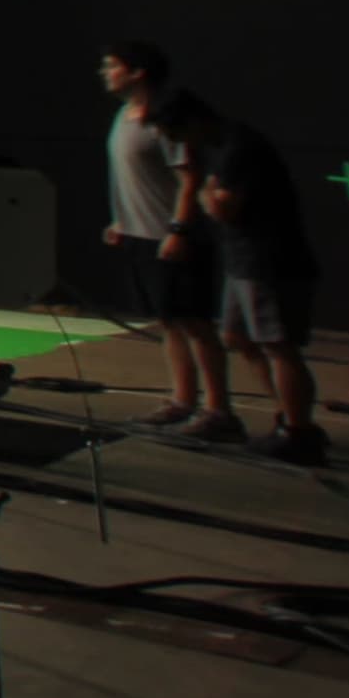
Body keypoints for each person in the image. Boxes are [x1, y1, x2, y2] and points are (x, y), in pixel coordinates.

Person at [184, 96, 326, 463]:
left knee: (278, 345)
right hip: (242, 259)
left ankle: (300, 432)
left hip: (268, 261)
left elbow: (222, 207)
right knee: (237, 336)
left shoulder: (239, 147)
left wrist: (201, 190)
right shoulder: (219, 147)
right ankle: (287, 416)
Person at [99, 39, 224, 431]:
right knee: (169, 322)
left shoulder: (166, 120)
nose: (105, 72)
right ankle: (182, 400)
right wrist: (122, 221)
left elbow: (191, 179)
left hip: (173, 238)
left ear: (137, 72)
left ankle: (219, 411)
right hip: (140, 236)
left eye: (112, 65)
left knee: (196, 324)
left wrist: (179, 230)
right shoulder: (123, 117)